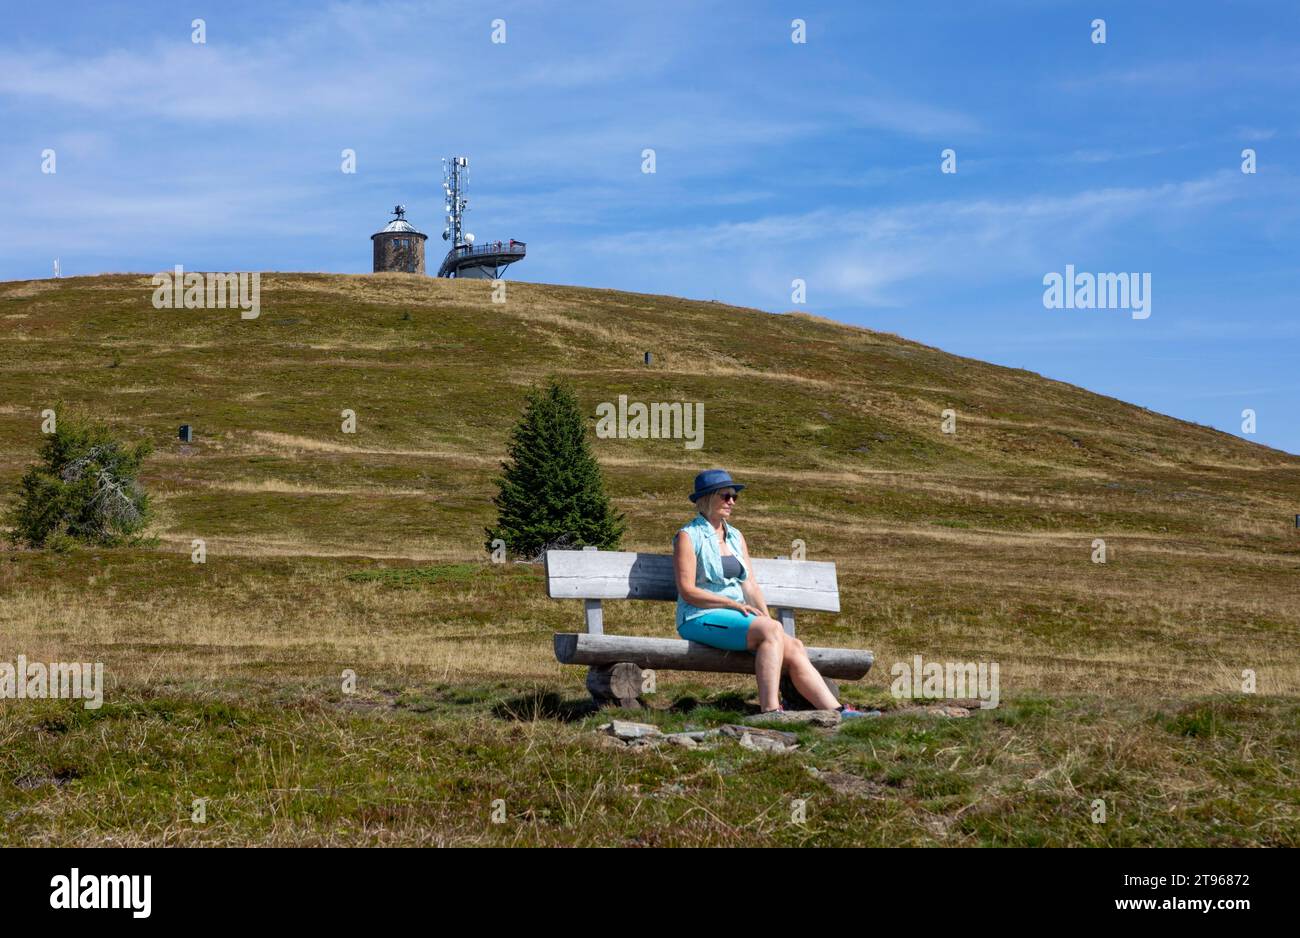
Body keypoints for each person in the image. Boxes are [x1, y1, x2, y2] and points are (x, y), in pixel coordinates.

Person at [672, 469, 877, 717]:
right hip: (698, 618)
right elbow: (688, 591)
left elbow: (750, 586)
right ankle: (770, 710)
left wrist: (766, 619)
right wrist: (732, 605)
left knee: (794, 645)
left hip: (735, 617)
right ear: (707, 498)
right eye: (726, 496)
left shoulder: (735, 536)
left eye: (734, 497)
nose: (732, 502)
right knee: (771, 631)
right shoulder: (688, 536)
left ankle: (836, 711)